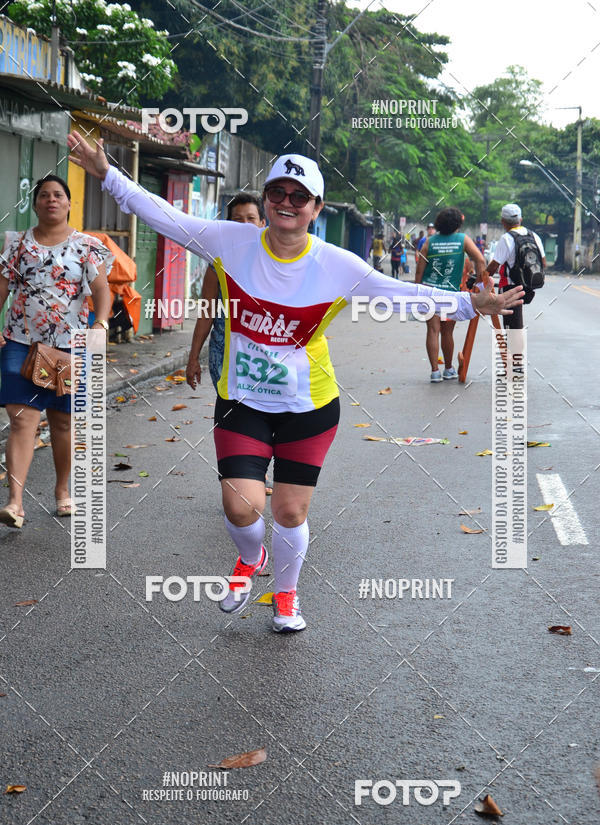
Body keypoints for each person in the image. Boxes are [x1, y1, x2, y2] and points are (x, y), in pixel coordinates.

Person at [67, 131, 523, 633]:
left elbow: (401, 294)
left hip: (310, 407)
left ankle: (286, 595)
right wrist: (107, 174)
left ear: (316, 208)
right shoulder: (230, 241)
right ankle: (251, 558)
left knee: (288, 512)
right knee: (241, 507)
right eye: (278, 192)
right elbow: (163, 216)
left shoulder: (337, 265)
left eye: (300, 196)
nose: (287, 203)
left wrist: (470, 303)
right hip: (242, 402)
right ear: (266, 199)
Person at [0, 174, 112, 528]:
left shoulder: (86, 246)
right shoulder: (16, 244)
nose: (51, 199)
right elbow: (2, 287)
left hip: (69, 346)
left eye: (58, 195)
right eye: (44, 195)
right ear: (35, 204)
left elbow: (102, 290)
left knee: (62, 423)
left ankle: (62, 490)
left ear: (68, 203)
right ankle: (15, 503)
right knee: (22, 420)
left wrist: (101, 323)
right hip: (20, 342)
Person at [186, 193, 266, 392]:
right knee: (230, 408)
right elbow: (207, 313)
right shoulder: (217, 264)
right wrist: (193, 358)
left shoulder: (275, 264)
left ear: (262, 223)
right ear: (229, 225)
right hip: (224, 357)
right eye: (238, 219)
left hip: (265, 359)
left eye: (251, 218)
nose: (244, 225)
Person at [415, 207, 485, 382]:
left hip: (429, 291)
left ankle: (434, 372)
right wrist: (480, 285)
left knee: (432, 331)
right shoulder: (463, 240)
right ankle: (448, 369)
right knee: (447, 333)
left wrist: (417, 291)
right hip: (450, 294)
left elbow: (419, 271)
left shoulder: (429, 242)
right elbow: (480, 259)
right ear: (458, 224)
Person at [486, 203, 546, 329]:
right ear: (520, 219)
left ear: (503, 221)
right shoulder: (533, 236)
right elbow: (543, 263)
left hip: (510, 287)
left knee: (512, 327)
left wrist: (481, 279)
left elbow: (493, 266)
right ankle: (516, 342)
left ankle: (516, 343)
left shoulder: (507, 238)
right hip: (528, 285)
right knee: (516, 325)